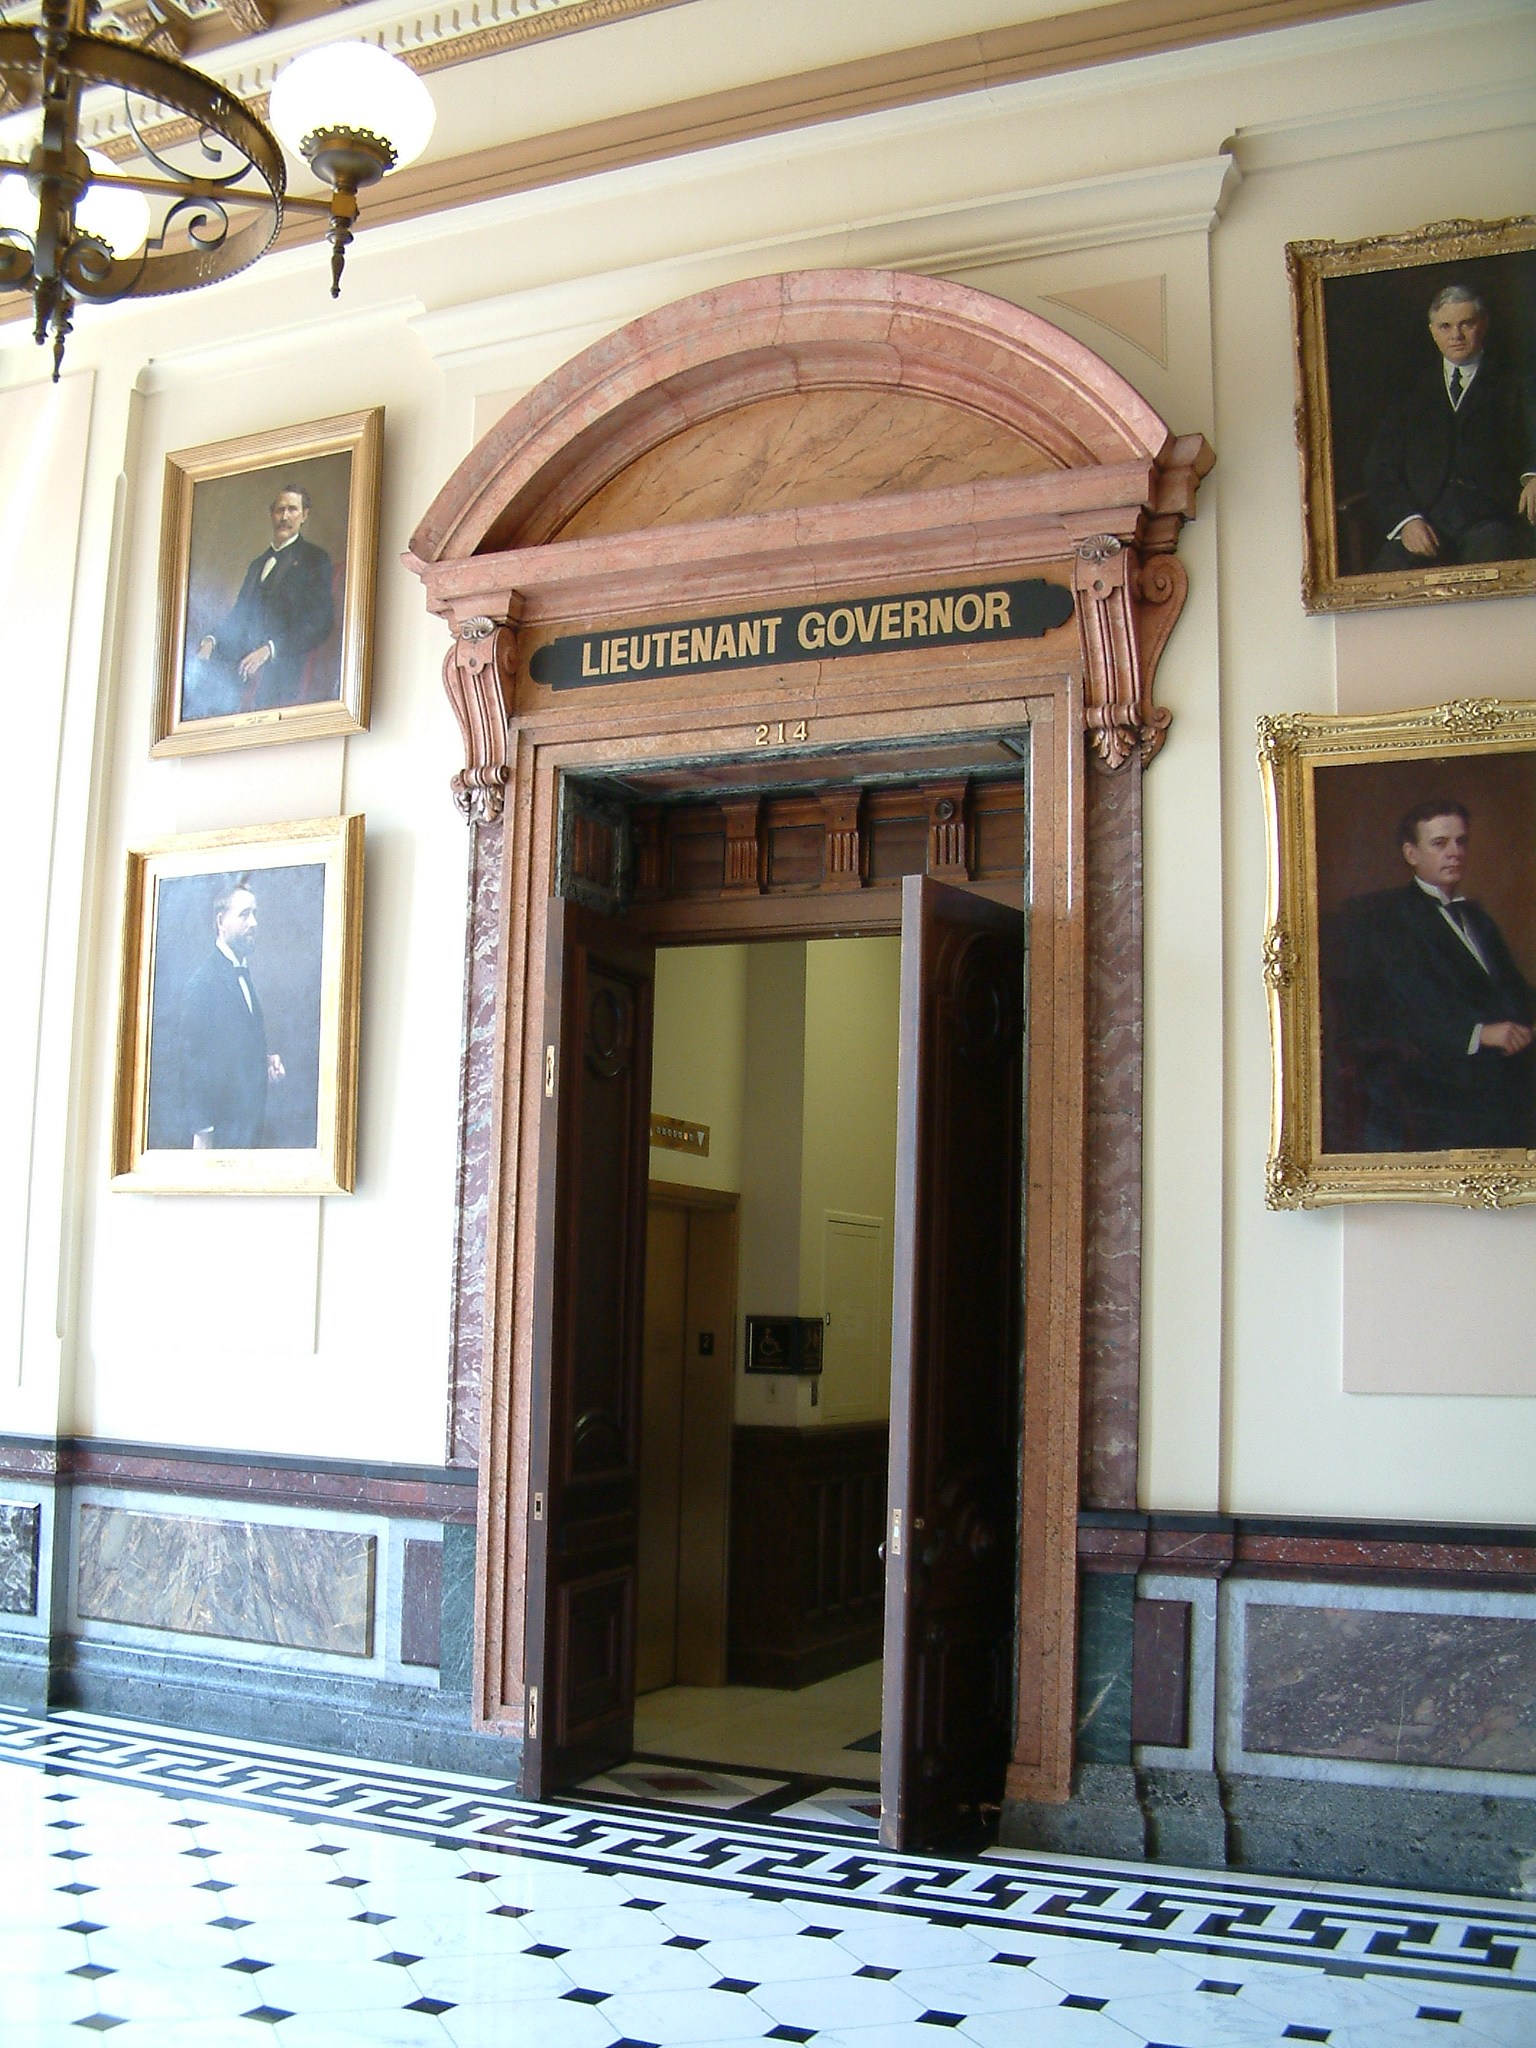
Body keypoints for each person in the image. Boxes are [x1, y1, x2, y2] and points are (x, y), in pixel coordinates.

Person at [1324, 801, 1536, 1152]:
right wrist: (1480, 1034)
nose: (1455, 853)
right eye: (1440, 843)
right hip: (1432, 1081)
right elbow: (1394, 1013)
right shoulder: (1385, 919)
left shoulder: (1476, 918)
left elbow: (1512, 990)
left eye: (1461, 842)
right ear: (1411, 853)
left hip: (1501, 1070)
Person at [1362, 283, 1536, 573]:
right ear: (1432, 330)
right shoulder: (1412, 393)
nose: (1456, 335)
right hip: (1425, 524)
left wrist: (1533, 476)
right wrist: (1407, 521)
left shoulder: (1515, 384)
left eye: (1466, 324)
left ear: (1484, 324)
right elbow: (1379, 466)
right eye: (1445, 326)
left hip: (1492, 523)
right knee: (1382, 583)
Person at [190, 484, 335, 716]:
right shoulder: (257, 564)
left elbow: (319, 623)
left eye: (292, 510)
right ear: (271, 515)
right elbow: (239, 615)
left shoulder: (315, 559)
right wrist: (211, 640)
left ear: (304, 515)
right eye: (279, 510)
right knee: (199, 687)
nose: (285, 516)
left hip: (283, 664)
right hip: (242, 663)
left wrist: (269, 649)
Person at [177, 878, 286, 1149]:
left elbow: (229, 1047)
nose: (254, 923)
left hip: (249, 1128)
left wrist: (264, 1061)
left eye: (255, 914)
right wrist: (203, 1134)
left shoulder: (242, 973)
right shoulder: (203, 984)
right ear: (220, 921)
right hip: (222, 1137)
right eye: (244, 914)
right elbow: (194, 1065)